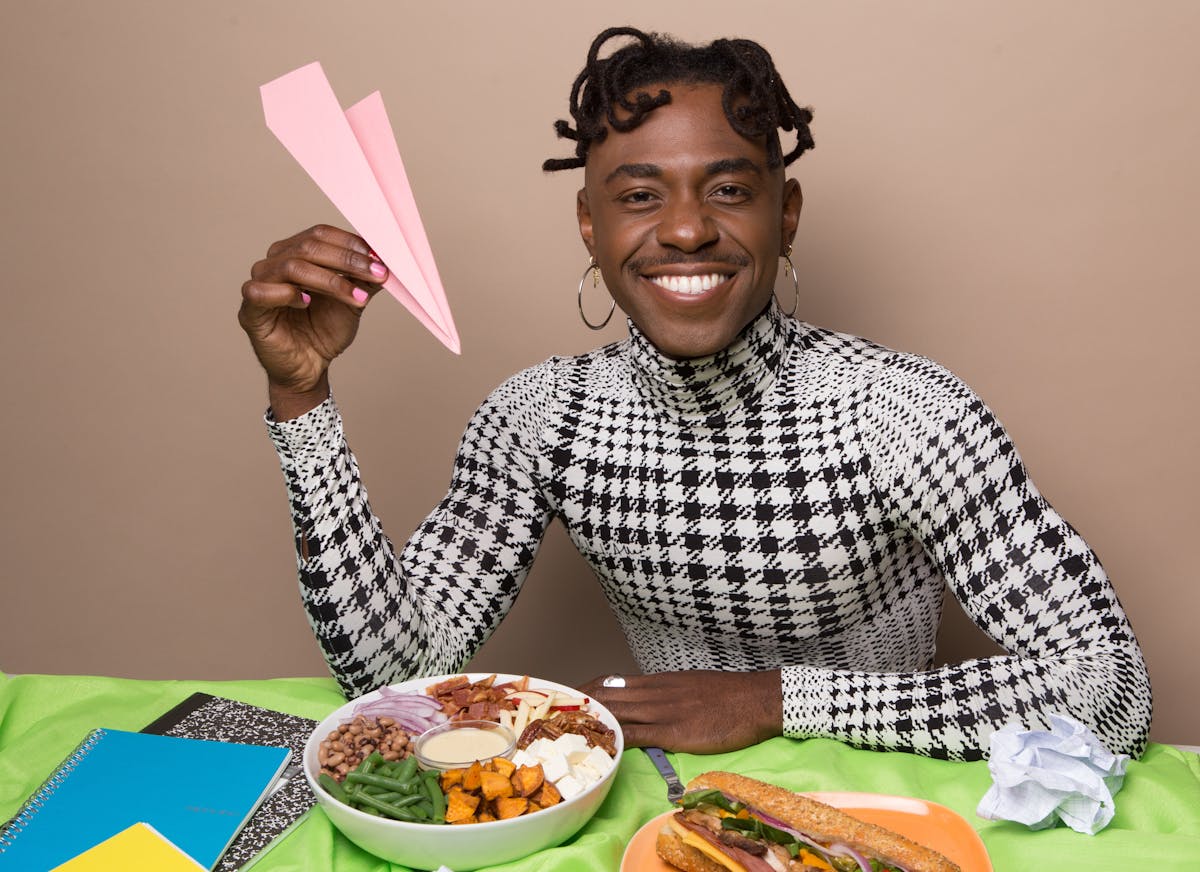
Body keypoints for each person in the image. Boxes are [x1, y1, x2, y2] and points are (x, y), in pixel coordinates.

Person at [238, 27, 1151, 761]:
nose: (684, 229)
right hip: (657, 810)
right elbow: (397, 669)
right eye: (639, 196)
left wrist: (778, 699)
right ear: (590, 224)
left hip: (892, 803)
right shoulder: (539, 419)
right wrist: (304, 401)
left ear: (784, 216)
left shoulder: (902, 413)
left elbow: (1108, 687)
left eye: (727, 188)